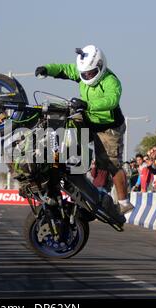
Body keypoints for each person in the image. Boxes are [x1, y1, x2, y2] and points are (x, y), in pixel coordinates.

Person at [35, 44, 134, 216]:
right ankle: (65, 162)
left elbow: (111, 100)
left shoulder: (111, 81)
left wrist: (87, 104)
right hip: (88, 117)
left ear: (101, 66)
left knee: (110, 165)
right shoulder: (82, 71)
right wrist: (47, 69)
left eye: (91, 73)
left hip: (108, 127)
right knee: (66, 121)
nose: (87, 76)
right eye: (84, 73)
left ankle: (124, 202)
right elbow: (64, 70)